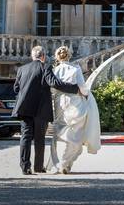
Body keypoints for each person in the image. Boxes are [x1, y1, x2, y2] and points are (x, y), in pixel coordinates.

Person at [12, 45, 80, 175]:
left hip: (25, 108)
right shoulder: (45, 67)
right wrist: (75, 89)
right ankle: (38, 167)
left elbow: (16, 89)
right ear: (43, 56)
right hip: (40, 109)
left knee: (25, 137)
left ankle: (25, 166)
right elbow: (54, 83)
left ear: (33, 56)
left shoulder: (22, 69)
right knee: (39, 138)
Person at [47, 46, 101, 174]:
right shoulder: (75, 69)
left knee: (58, 133)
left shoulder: (55, 70)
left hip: (60, 103)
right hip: (75, 103)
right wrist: (86, 95)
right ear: (69, 56)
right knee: (75, 135)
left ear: (57, 57)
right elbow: (82, 87)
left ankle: (59, 163)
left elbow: (52, 89)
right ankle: (66, 162)